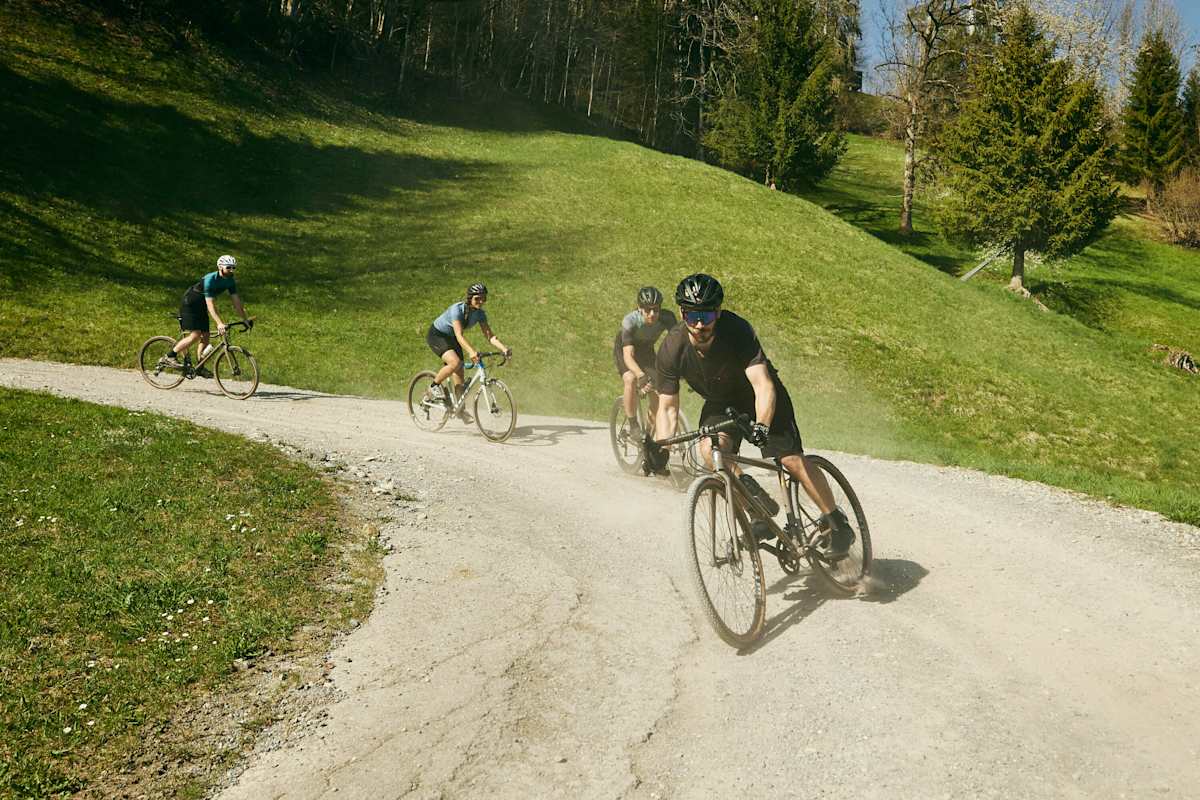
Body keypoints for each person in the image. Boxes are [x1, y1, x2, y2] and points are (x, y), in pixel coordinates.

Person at [646, 273, 855, 558]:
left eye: (707, 315)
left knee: (790, 459)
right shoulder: (671, 349)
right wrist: (661, 445)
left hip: (758, 397)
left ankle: (837, 522)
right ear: (682, 313)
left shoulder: (737, 330)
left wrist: (763, 426)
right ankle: (758, 511)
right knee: (711, 450)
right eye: (693, 314)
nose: (699, 323)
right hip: (721, 402)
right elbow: (668, 408)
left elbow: (762, 384)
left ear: (718, 312)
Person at [426, 283, 512, 417]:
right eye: (478, 298)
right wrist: (471, 352)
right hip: (437, 335)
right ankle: (434, 386)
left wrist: (504, 348)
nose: (481, 301)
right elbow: (459, 335)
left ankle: (459, 410)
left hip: (453, 337)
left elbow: (489, 336)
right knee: (455, 363)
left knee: (459, 375)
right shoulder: (457, 310)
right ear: (469, 298)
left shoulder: (480, 314)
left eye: (484, 298)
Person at [161, 255, 251, 376]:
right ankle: (169, 355)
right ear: (220, 267)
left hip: (202, 303)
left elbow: (236, 302)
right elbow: (211, 305)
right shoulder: (210, 279)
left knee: (206, 336)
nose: (231, 270)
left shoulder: (230, 280)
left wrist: (245, 319)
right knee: (196, 334)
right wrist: (219, 323)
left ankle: (199, 367)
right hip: (191, 302)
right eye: (228, 267)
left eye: (233, 267)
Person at [613, 286, 677, 438]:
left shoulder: (667, 318)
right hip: (625, 351)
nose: (653, 314)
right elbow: (628, 355)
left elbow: (678, 343)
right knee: (630, 378)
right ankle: (633, 424)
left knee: (658, 391)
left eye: (656, 309)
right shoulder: (630, 321)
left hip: (646, 351)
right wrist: (640, 375)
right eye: (648, 310)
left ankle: (647, 436)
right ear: (640, 308)